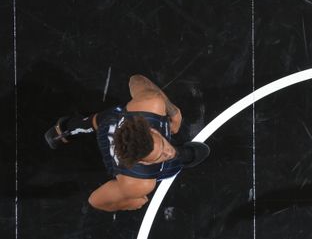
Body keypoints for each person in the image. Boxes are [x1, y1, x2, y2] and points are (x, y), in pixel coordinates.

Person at [44, 74, 210, 212]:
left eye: (163, 145)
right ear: (142, 162)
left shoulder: (151, 102)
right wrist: (127, 204)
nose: (169, 151)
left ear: (151, 130)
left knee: (101, 119)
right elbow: (95, 201)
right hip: (114, 155)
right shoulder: (138, 183)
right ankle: (66, 130)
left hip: (110, 124)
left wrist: (173, 110)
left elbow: (136, 80)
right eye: (160, 156)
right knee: (168, 167)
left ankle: (65, 129)